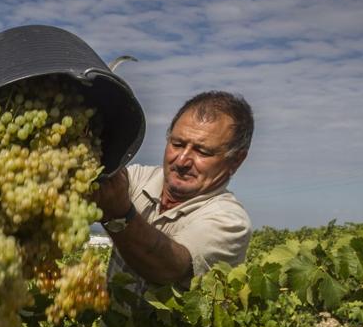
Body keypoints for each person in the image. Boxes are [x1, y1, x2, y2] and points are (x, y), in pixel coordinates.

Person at [93, 91, 253, 300]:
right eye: (177, 144)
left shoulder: (229, 221)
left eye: (202, 152)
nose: (182, 160)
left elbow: (168, 267)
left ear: (236, 161)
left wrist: (118, 216)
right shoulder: (141, 178)